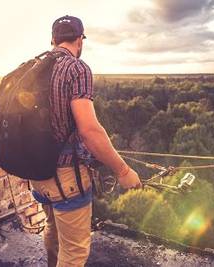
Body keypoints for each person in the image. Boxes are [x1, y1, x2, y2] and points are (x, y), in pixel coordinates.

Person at [29, 15, 142, 267]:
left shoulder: (35, 67)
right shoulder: (76, 69)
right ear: (80, 40)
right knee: (74, 253)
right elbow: (90, 130)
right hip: (66, 178)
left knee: (53, 230)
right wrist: (123, 170)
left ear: (53, 39)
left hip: (36, 173)